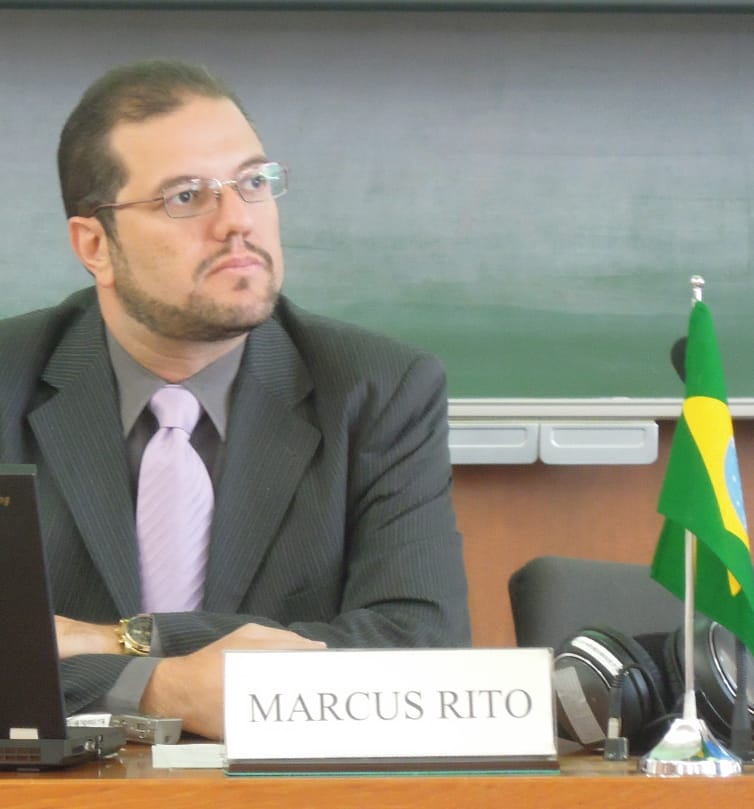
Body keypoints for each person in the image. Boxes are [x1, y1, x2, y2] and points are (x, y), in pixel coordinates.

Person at [0, 60, 470, 740]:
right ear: (95, 245)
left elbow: (420, 650)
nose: (237, 222)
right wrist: (159, 688)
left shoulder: (380, 390)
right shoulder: (9, 379)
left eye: (252, 183)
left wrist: (124, 641)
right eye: (186, 196)